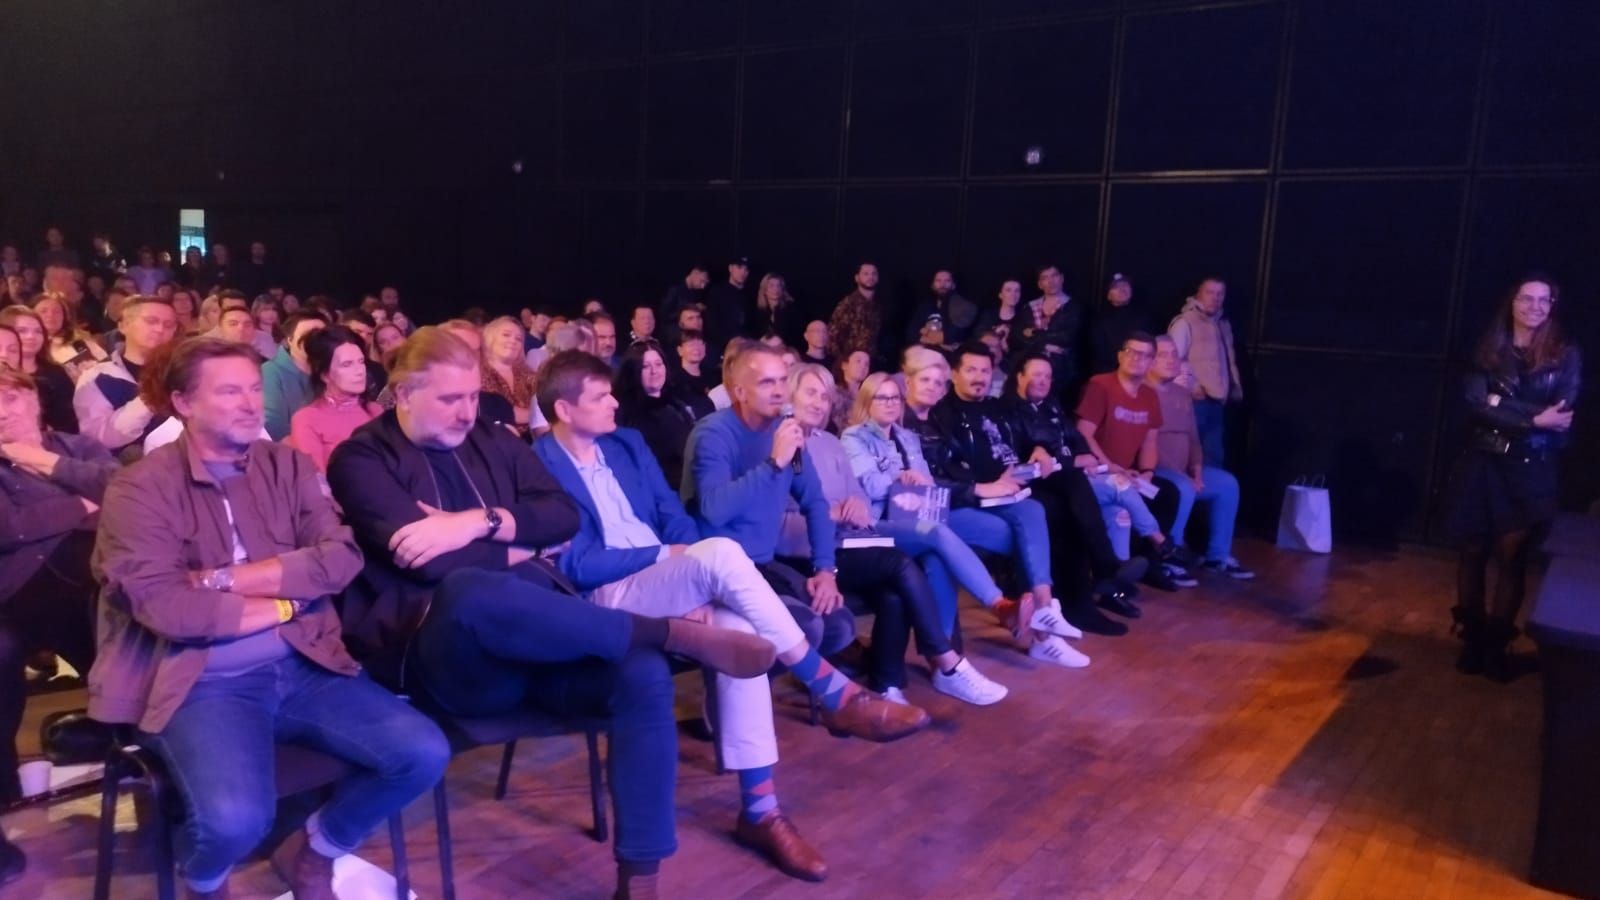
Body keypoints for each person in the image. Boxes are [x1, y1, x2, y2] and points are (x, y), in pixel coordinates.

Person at [328, 327, 778, 899]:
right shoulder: (361, 458)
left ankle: (640, 881)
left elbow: (564, 515)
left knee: (641, 674)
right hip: (445, 658)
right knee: (468, 589)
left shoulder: (492, 440)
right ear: (403, 394)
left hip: (540, 642)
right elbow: (425, 565)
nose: (467, 412)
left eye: (473, 396)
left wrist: (477, 522)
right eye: (450, 399)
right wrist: (522, 547)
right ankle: (666, 633)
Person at [536, 351, 929, 882]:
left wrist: (690, 579)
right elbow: (575, 564)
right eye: (600, 396)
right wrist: (673, 559)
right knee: (722, 552)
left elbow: (673, 516)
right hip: (608, 596)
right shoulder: (540, 463)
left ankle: (761, 810)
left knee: (741, 636)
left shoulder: (625, 444)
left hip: (667, 578)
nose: (614, 402)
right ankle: (832, 690)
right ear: (564, 409)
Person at [90, 338, 450, 900]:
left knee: (423, 753)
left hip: (305, 661)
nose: (250, 403)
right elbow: (169, 608)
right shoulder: (138, 487)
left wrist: (222, 579)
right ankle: (204, 881)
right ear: (183, 402)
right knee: (236, 822)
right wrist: (290, 594)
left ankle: (315, 850)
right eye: (229, 391)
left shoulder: (287, 465)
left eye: (255, 388)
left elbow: (340, 558)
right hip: (202, 680)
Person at [784, 362, 1010, 702]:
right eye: (811, 393)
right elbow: (781, 518)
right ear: (790, 396)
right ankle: (947, 660)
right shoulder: (783, 444)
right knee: (901, 563)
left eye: (825, 396)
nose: (819, 402)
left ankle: (888, 684)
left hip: (848, 539)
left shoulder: (829, 442)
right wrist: (832, 513)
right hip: (810, 552)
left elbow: (857, 494)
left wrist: (855, 505)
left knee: (897, 589)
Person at [934, 344, 1146, 635]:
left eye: (985, 371)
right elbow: (948, 464)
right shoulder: (943, 414)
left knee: (1071, 486)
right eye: (971, 370)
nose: (979, 377)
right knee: (1059, 510)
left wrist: (1038, 447)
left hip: (1017, 480)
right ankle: (1082, 593)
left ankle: (1082, 596)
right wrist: (986, 485)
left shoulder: (996, 407)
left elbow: (1025, 438)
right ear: (954, 374)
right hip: (986, 492)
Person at [682, 342, 863, 658]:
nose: (780, 391)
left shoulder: (785, 430)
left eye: (782, 380)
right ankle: (746, 679)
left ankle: (791, 677)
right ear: (740, 391)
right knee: (806, 627)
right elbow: (715, 510)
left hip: (764, 562)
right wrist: (773, 464)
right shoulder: (713, 434)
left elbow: (815, 503)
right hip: (719, 570)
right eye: (767, 382)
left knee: (840, 625)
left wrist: (825, 570)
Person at [1445, 275, 1580, 681]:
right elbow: (1475, 404)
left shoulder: (1565, 353)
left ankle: (1495, 646)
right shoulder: (1488, 349)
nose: (1535, 306)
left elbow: (1561, 414)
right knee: (1472, 552)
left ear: (1552, 306)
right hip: (1483, 463)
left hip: (1530, 468)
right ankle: (1472, 641)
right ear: (1512, 302)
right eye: (1527, 298)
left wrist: (1501, 403)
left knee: (1512, 558)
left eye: (1544, 300)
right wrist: (1533, 417)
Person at [0, 369, 112, 806]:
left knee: (131, 633)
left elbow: (123, 492)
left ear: (34, 400)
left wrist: (47, 463)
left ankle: (141, 752)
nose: (1, 412)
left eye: (9, 398)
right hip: (19, 597)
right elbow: (10, 527)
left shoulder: (77, 447)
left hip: (92, 590)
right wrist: (81, 504)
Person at [1008, 351, 1191, 598]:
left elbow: (1076, 438)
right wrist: (1072, 460)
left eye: (1047, 376)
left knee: (1119, 513)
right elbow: (1025, 459)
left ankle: (1118, 582)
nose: (1042, 381)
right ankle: (1160, 543)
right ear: (1020, 377)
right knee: (1120, 484)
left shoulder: (1051, 406)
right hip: (1051, 482)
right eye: (1036, 375)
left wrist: (1087, 457)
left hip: (1075, 474)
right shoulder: (1009, 412)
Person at [1075, 333, 1197, 591]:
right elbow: (1083, 434)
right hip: (1097, 471)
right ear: (1120, 355)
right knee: (1122, 503)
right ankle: (1160, 545)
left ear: (1151, 363)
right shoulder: (1101, 385)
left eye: (1145, 355)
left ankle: (1151, 564)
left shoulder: (1149, 396)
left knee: (1166, 494)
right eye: (1131, 352)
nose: (1137, 359)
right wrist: (1110, 466)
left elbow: (1150, 443)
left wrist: (1147, 473)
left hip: (1126, 473)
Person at [1148, 336, 1252, 579]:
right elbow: (1148, 443)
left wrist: (1195, 469)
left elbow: (1194, 438)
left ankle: (1217, 557)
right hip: (1155, 472)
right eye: (1163, 355)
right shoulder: (1143, 392)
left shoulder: (1182, 394)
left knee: (1227, 484)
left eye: (1174, 354)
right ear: (1150, 361)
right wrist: (1181, 475)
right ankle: (1169, 557)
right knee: (1182, 487)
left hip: (1183, 472)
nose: (1171, 360)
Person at [73, 295, 179, 459]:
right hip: (124, 467)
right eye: (151, 321)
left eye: (169, 325)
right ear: (123, 326)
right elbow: (98, 439)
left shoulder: (185, 370)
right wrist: (149, 398)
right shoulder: (98, 377)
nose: (160, 329)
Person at [614, 342, 713, 489]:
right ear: (633, 371)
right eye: (645, 366)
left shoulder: (677, 402)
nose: (654, 371)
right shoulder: (627, 415)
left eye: (658, 364)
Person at [1167, 276, 1243, 467]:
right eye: (1210, 292)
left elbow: (1227, 360)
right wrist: (1192, 386)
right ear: (1198, 294)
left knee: (1213, 455)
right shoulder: (1186, 322)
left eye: (1220, 293)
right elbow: (1171, 359)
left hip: (1216, 400)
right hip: (1194, 400)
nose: (1215, 297)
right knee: (1189, 454)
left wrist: (1233, 387)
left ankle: (1208, 487)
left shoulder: (1222, 324)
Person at [289, 326, 383, 472]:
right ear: (325, 375)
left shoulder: (375, 410)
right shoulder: (307, 419)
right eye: (347, 364)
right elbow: (315, 479)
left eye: (361, 361)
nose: (359, 371)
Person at [0, 305, 77, 433]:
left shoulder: (55, 373)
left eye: (38, 331)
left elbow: (70, 423)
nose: (31, 336)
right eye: (22, 331)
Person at [261, 310, 328, 440]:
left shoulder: (330, 371)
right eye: (307, 335)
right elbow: (272, 425)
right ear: (290, 340)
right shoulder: (270, 371)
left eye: (321, 335)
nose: (315, 341)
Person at [1022, 264, 1083, 394]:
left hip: (1063, 372)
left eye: (1054, 276)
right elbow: (1021, 336)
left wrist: (1035, 333)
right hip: (1033, 368)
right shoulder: (1029, 307)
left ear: (1061, 278)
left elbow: (1067, 337)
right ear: (1040, 284)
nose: (1051, 281)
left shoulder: (1073, 307)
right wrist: (1046, 346)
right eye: (1045, 278)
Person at [1089, 273, 1153, 376]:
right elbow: (1099, 351)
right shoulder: (1098, 319)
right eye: (1116, 287)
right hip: (1108, 373)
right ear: (1108, 295)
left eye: (1125, 285)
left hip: (1139, 371)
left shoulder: (1143, 317)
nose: (1122, 289)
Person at [481, 316, 537, 430]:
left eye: (518, 339)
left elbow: (546, 407)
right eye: (506, 335)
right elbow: (493, 412)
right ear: (490, 338)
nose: (513, 341)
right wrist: (536, 416)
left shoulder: (530, 374)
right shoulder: (477, 372)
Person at [35, 293, 108, 381]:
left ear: (64, 317)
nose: (50, 315)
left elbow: (108, 365)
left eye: (56, 311)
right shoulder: (31, 350)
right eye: (43, 311)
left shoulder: (80, 342)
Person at [827, 263, 884, 367]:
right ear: (857, 278)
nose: (870, 277)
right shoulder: (848, 304)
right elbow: (832, 336)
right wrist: (842, 362)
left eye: (874, 274)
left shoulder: (878, 305)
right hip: (851, 363)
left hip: (870, 362)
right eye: (866, 274)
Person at [905, 270, 978, 349]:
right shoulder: (925, 306)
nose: (942, 285)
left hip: (953, 351)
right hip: (927, 350)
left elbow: (951, 337)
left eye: (947, 281)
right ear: (933, 285)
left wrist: (925, 331)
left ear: (953, 285)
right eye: (938, 281)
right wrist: (931, 342)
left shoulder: (963, 307)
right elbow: (911, 332)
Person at [703, 257, 749, 368]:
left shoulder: (749, 295)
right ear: (730, 268)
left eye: (746, 269)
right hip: (722, 349)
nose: (743, 272)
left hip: (745, 350)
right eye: (739, 267)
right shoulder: (717, 292)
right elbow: (712, 324)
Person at [749, 272, 803, 350]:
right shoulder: (758, 312)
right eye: (771, 286)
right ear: (764, 290)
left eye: (779, 286)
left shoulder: (791, 310)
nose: (776, 289)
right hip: (763, 351)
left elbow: (796, 336)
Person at [830, 350, 869, 434]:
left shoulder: (868, 396)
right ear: (844, 365)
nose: (863, 366)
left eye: (866, 364)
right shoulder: (834, 392)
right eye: (858, 361)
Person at [672, 328, 717, 396]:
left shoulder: (712, 376)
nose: (696, 348)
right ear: (680, 350)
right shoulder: (675, 381)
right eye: (691, 345)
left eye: (700, 343)